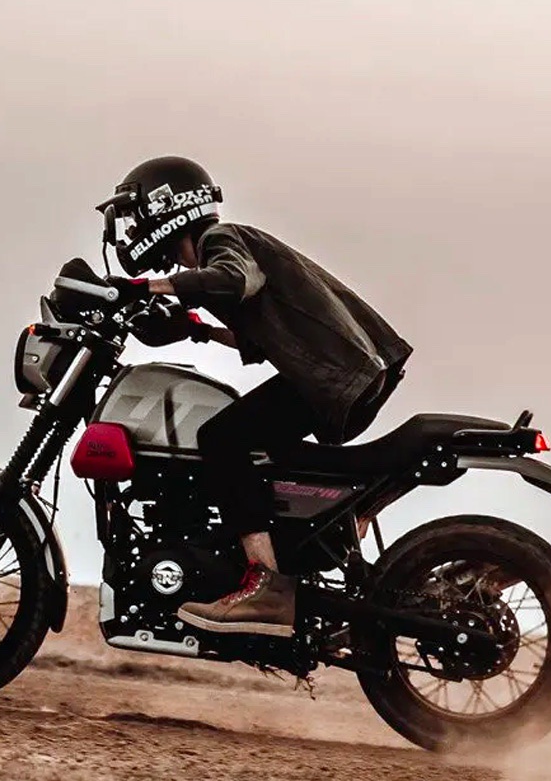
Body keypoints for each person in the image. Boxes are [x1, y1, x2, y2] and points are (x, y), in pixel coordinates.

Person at [96, 156, 412, 637]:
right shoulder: (225, 251)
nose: (132, 227)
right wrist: (197, 331)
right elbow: (265, 334)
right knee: (251, 448)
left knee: (222, 437)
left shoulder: (222, 241)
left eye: (137, 213)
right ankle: (288, 552)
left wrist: (142, 287)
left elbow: (234, 280)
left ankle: (265, 582)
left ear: (167, 206)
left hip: (335, 377)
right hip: (342, 374)